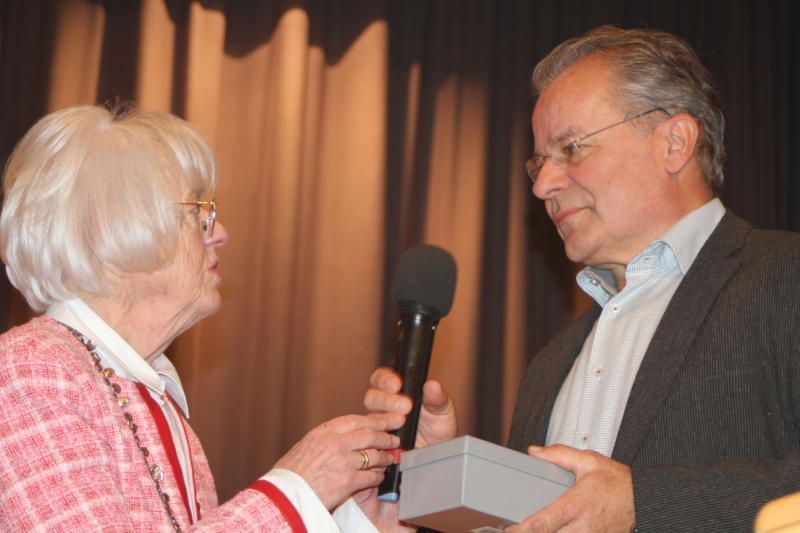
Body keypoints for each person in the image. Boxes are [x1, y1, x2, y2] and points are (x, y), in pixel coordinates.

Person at [365, 26, 800, 532]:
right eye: (539, 163)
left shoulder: (785, 275)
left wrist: (641, 504)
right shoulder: (550, 364)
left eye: (571, 148)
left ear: (674, 143)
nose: (543, 186)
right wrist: (444, 479)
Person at [0, 104, 402, 531]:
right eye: (198, 212)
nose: (220, 232)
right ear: (116, 227)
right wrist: (297, 489)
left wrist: (357, 523)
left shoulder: (154, 397)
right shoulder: (27, 370)